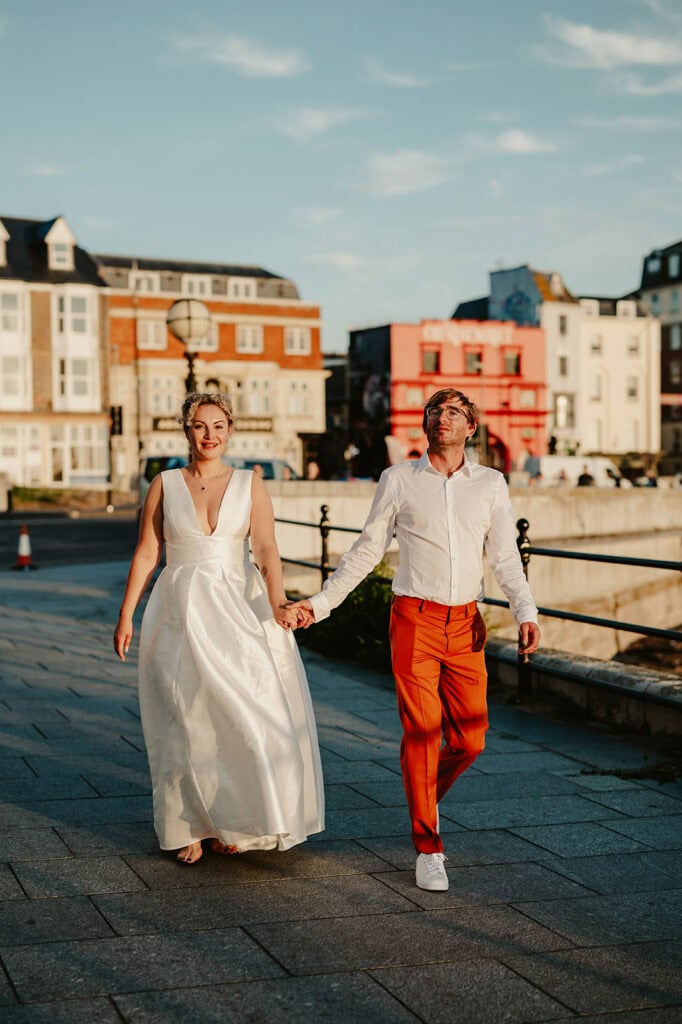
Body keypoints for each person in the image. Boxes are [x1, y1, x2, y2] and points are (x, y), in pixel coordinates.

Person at [289, 388, 540, 892]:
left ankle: (421, 793)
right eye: (434, 411)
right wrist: (320, 604)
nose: (441, 418)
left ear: (472, 427)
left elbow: (506, 557)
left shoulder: (490, 484)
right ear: (425, 424)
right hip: (414, 621)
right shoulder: (398, 479)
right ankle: (429, 846)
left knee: (470, 740)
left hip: (466, 624)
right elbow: (366, 550)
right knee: (422, 734)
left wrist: (525, 611)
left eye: (453, 412)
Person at [113, 392, 324, 865]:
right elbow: (148, 551)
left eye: (218, 425)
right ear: (186, 430)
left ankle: (236, 820)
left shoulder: (251, 483)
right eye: (199, 425)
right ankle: (189, 825)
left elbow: (267, 550)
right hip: (179, 608)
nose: (209, 434)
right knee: (183, 717)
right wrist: (127, 612)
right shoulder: (164, 483)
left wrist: (276, 603)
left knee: (247, 717)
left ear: (230, 430)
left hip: (238, 607)